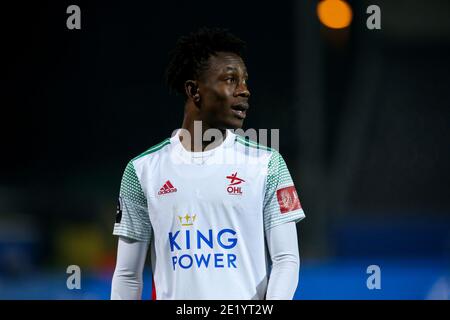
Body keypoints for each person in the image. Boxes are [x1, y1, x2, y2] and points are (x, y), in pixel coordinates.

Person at [111, 28, 305, 300]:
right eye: (230, 79)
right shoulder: (141, 171)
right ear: (194, 90)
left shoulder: (267, 164)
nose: (245, 90)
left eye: (245, 81)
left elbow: (286, 260)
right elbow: (127, 275)